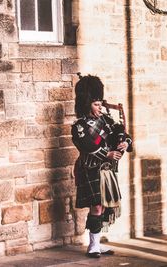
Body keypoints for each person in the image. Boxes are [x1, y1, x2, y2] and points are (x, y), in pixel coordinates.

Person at [71, 74, 133, 258]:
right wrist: (107, 153)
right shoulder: (79, 126)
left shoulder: (106, 120)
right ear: (86, 103)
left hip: (107, 170)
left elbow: (120, 133)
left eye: (100, 104)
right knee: (97, 206)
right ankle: (92, 246)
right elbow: (86, 146)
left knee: (104, 206)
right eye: (96, 104)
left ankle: (97, 243)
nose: (100, 107)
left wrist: (124, 142)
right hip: (90, 169)